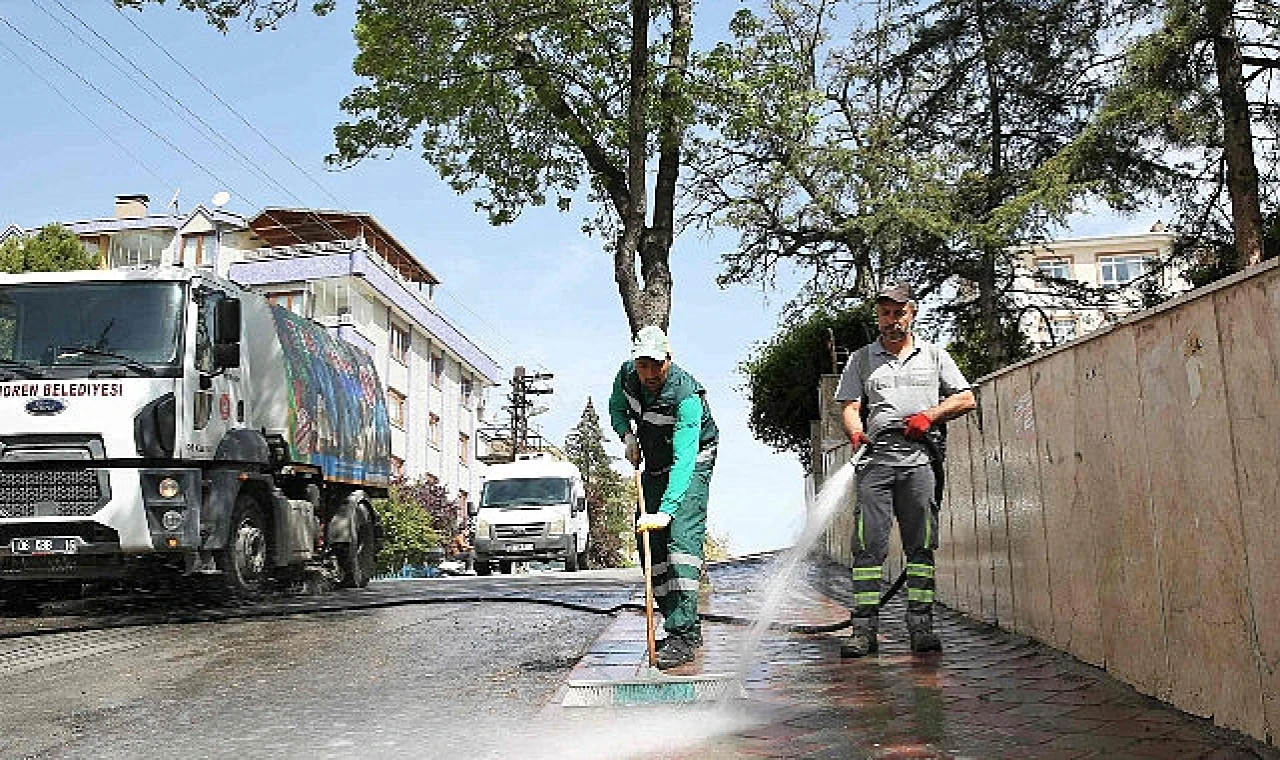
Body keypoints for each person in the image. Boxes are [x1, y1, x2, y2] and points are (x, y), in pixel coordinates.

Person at [833, 281, 976, 657]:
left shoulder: (934, 356)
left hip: (920, 463)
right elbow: (849, 405)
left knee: (921, 546)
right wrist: (856, 431)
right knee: (867, 548)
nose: (891, 320)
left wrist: (930, 415)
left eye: (899, 313)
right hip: (876, 463)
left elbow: (966, 398)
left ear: (912, 313)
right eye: (885, 313)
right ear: (877, 317)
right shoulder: (862, 360)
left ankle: (921, 627)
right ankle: (864, 631)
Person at [608, 325, 719, 669]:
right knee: (649, 544)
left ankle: (684, 634)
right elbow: (616, 408)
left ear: (668, 360)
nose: (650, 373)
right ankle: (677, 622)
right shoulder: (626, 378)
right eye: (644, 365)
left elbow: (685, 458)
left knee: (680, 543)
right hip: (654, 459)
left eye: (657, 365)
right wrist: (627, 436)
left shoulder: (686, 395)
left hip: (692, 459)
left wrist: (668, 510)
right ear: (634, 362)